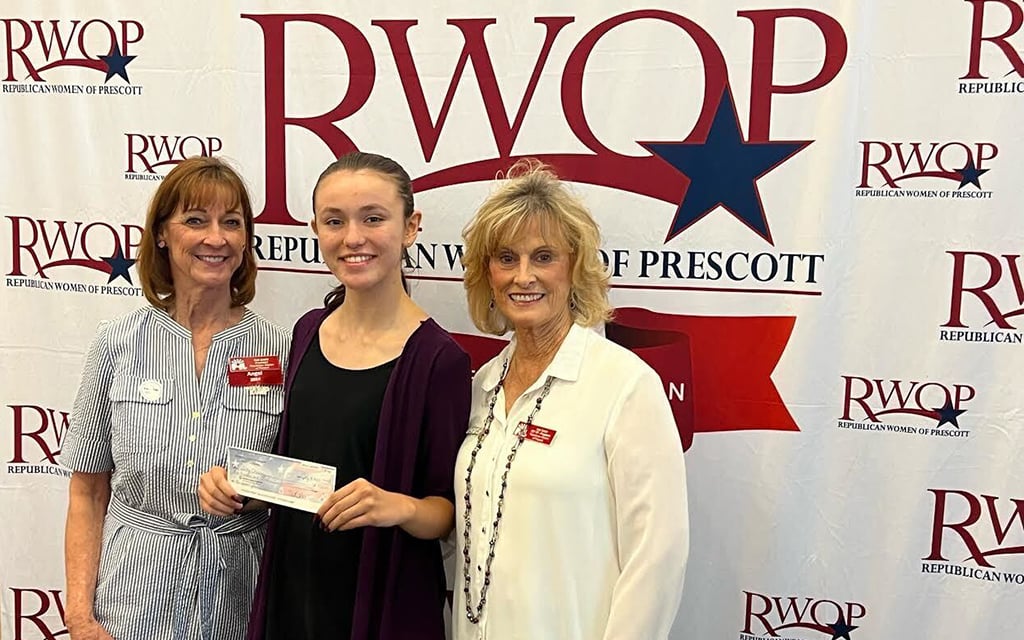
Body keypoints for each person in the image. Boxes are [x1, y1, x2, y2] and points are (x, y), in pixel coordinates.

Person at [199, 151, 471, 640]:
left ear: (411, 227)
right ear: (315, 229)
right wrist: (244, 490)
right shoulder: (306, 332)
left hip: (381, 598)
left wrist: (397, 506)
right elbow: (300, 476)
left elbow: (449, 512)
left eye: (373, 218)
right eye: (335, 221)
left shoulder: (438, 360)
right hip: (293, 588)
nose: (353, 238)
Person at [454, 159, 689, 640]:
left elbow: (657, 556)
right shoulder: (482, 385)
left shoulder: (624, 384)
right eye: (506, 258)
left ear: (575, 267)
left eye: (544, 257)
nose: (524, 276)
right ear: (487, 275)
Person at [61, 156, 291, 640]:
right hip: (133, 603)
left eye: (232, 222)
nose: (216, 238)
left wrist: (250, 489)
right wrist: (80, 618)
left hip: (241, 600)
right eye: (195, 220)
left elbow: (299, 477)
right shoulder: (117, 343)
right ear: (162, 235)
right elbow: (87, 490)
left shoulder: (281, 350)